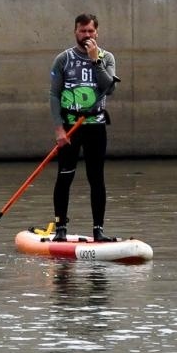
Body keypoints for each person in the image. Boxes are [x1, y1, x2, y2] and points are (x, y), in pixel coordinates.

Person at [49, 13, 119, 241]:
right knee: (65, 175)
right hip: (70, 127)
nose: (86, 35)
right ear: (75, 32)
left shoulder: (107, 58)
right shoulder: (63, 59)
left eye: (90, 31)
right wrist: (59, 129)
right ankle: (60, 228)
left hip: (95, 126)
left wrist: (95, 60)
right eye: (82, 31)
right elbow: (54, 95)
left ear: (96, 32)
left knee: (96, 178)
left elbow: (109, 88)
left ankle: (98, 230)